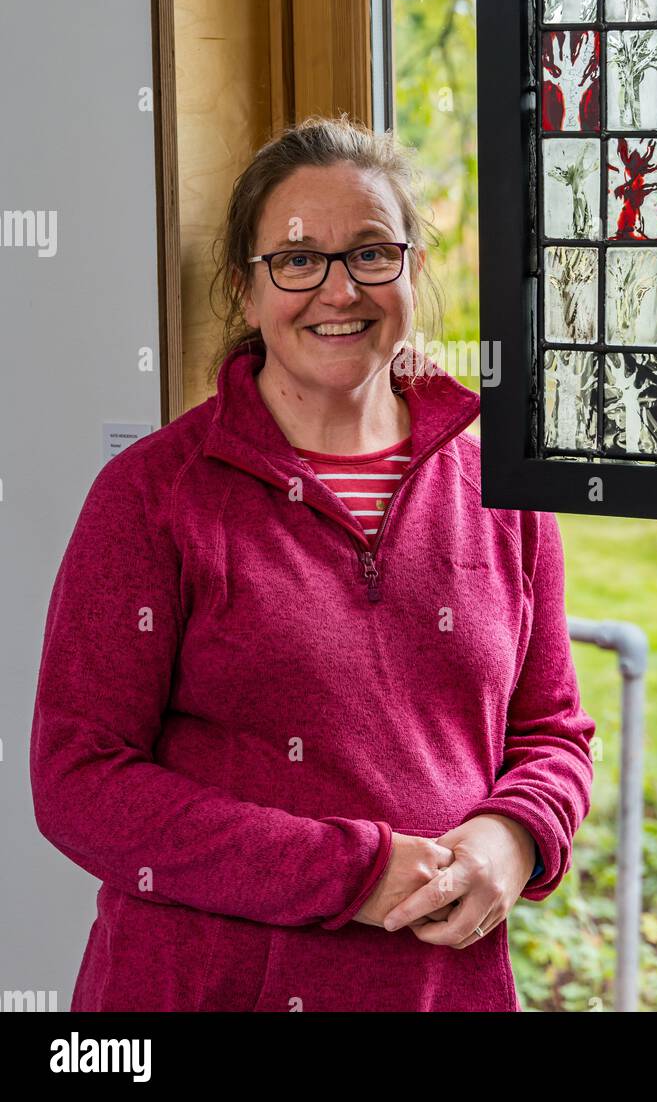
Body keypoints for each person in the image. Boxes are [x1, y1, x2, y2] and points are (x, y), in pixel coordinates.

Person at [30, 115, 595, 1012]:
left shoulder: (504, 492)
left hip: (441, 992)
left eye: (373, 252)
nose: (339, 290)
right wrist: (350, 873)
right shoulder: (150, 495)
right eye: (297, 260)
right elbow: (78, 781)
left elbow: (552, 734)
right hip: (199, 989)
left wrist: (510, 839)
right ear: (246, 293)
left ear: (411, 272)